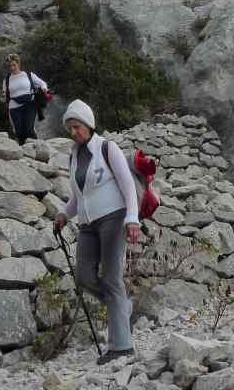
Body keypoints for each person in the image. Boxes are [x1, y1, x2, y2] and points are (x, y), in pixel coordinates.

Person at [54, 100, 140, 365]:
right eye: (69, 128)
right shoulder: (73, 155)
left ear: (88, 124)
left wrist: (132, 218)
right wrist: (62, 214)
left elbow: (128, 186)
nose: (73, 132)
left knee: (112, 278)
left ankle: (121, 346)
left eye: (76, 126)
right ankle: (121, 309)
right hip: (87, 225)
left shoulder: (107, 147)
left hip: (114, 219)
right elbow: (78, 195)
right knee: (84, 277)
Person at [0, 53, 48, 142]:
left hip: (30, 103)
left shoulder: (28, 75)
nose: (12, 68)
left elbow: (42, 83)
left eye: (14, 65)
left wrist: (44, 89)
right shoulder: (6, 80)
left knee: (29, 129)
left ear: (19, 63)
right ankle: (23, 152)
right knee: (19, 132)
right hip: (14, 107)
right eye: (9, 66)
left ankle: (36, 150)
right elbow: (4, 97)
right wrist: (2, 97)